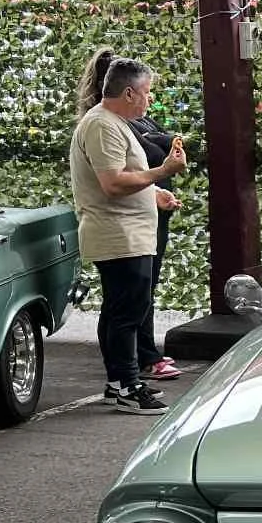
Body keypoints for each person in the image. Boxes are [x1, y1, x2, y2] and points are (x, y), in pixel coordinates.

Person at [70, 50, 188, 413]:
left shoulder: (113, 123)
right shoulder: (102, 125)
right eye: (147, 93)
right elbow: (112, 183)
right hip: (118, 234)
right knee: (126, 312)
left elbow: (122, 177)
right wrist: (162, 171)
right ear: (129, 93)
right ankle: (126, 384)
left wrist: (155, 193)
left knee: (122, 309)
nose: (149, 100)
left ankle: (120, 382)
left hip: (128, 233)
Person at [131, 112, 182, 381]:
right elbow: (157, 145)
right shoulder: (113, 124)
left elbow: (167, 142)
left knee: (147, 287)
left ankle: (146, 352)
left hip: (156, 213)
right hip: (136, 217)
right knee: (137, 290)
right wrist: (164, 141)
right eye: (145, 93)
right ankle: (144, 357)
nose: (149, 99)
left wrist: (163, 140)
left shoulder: (143, 120)